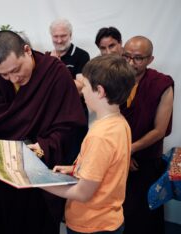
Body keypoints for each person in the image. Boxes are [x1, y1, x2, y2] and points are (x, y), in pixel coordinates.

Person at [0, 30, 87, 234]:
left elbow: (69, 124)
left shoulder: (55, 73)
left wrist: (44, 146)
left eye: (16, 70)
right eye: (4, 74)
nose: (12, 79)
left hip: (37, 175)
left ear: (27, 51)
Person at [43, 55, 136, 234]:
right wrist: (74, 168)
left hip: (91, 224)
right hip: (109, 219)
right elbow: (107, 168)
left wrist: (40, 183)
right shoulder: (119, 123)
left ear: (100, 91)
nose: (82, 91)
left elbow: (82, 193)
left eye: (84, 86)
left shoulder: (100, 136)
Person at [121, 36, 174, 234]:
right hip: (118, 159)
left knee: (143, 217)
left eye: (137, 58)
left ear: (150, 59)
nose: (130, 63)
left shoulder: (161, 84)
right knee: (118, 214)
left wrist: (129, 150)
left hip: (145, 160)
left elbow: (159, 130)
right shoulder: (116, 78)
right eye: (126, 56)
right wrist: (122, 154)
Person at [47, 18, 89, 164]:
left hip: (74, 118)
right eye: (55, 36)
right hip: (52, 119)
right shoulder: (47, 57)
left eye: (63, 36)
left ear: (70, 35)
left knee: (73, 160)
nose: (59, 40)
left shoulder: (82, 55)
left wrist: (57, 68)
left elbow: (81, 87)